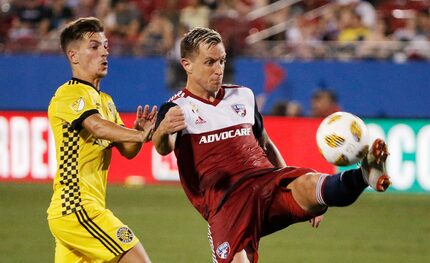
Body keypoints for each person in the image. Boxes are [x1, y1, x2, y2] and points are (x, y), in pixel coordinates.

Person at [152, 27, 391, 263]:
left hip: (265, 182)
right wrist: (161, 131)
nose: (219, 70)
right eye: (210, 62)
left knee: (310, 183)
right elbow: (164, 147)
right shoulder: (176, 109)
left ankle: (364, 175)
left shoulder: (243, 96)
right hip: (227, 203)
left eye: (222, 61)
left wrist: (294, 183)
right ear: (187, 65)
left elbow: (265, 142)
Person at [47, 17, 155, 263]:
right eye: (94, 46)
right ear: (74, 56)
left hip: (79, 211)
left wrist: (137, 134)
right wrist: (139, 134)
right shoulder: (68, 94)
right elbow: (96, 126)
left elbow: (127, 151)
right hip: (76, 207)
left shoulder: (105, 101)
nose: (104, 52)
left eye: (105, 45)